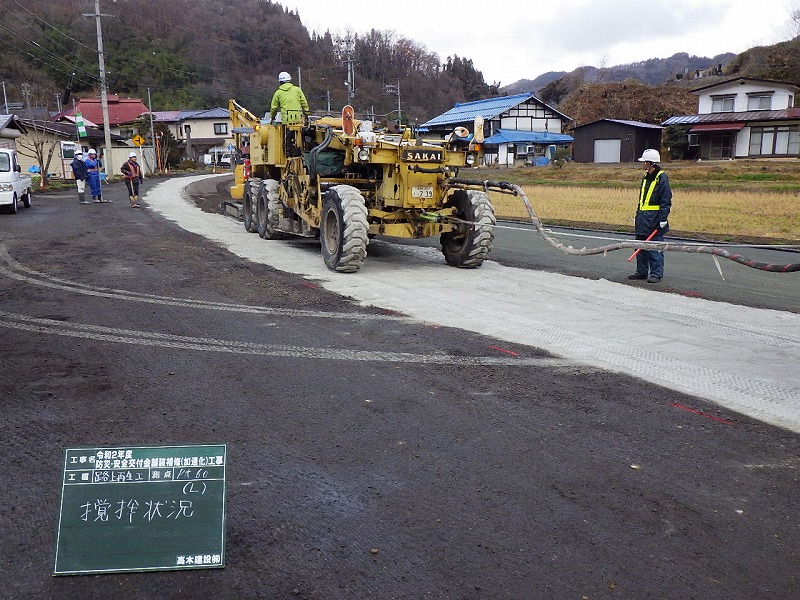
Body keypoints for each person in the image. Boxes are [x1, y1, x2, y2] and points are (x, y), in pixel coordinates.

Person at [628, 149, 672, 283]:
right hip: (643, 218)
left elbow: (666, 200)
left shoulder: (661, 177)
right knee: (640, 246)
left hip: (654, 219)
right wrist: (638, 215)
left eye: (643, 162)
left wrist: (663, 219)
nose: (641, 164)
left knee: (654, 248)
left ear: (650, 163)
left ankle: (656, 274)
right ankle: (641, 272)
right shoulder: (645, 178)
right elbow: (642, 200)